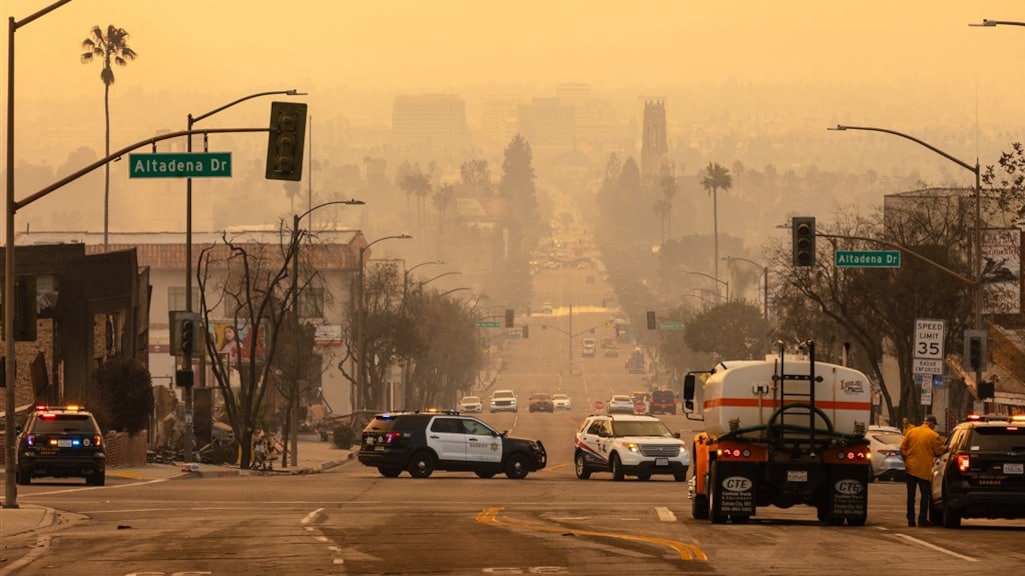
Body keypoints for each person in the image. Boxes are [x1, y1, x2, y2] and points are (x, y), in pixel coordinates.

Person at [899, 414, 946, 526]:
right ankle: (922, 519)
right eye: (934, 424)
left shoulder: (912, 432)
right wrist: (948, 448)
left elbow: (902, 448)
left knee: (911, 496)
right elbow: (939, 451)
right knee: (925, 496)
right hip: (924, 470)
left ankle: (911, 520)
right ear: (931, 423)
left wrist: (907, 459)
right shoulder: (933, 435)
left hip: (910, 468)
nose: (934, 427)